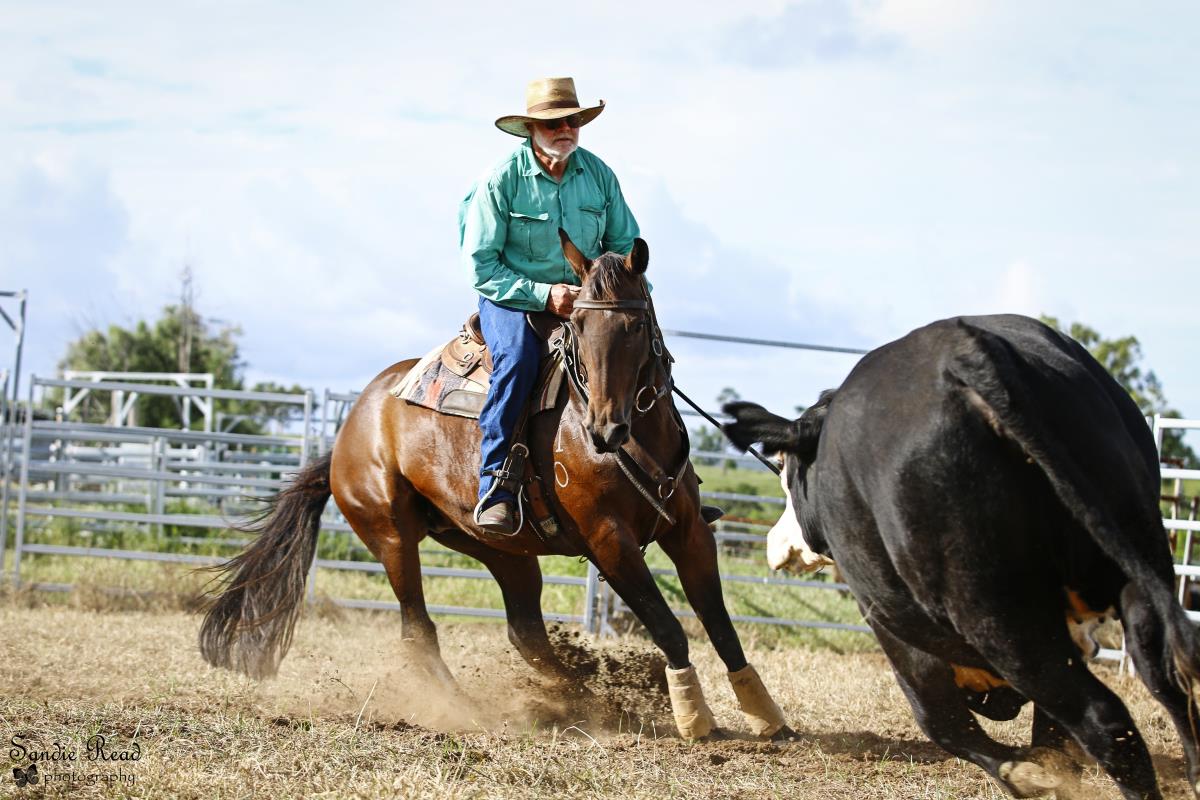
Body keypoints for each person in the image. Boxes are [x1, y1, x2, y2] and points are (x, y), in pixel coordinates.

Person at [458, 76, 640, 534]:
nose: (565, 130)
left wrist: (625, 299)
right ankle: (496, 486)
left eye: (572, 121)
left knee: (640, 348)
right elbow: (481, 266)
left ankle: (671, 480)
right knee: (517, 360)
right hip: (512, 296)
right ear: (530, 129)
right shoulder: (501, 180)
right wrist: (544, 294)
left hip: (586, 299)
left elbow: (623, 245)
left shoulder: (599, 175)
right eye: (553, 123)